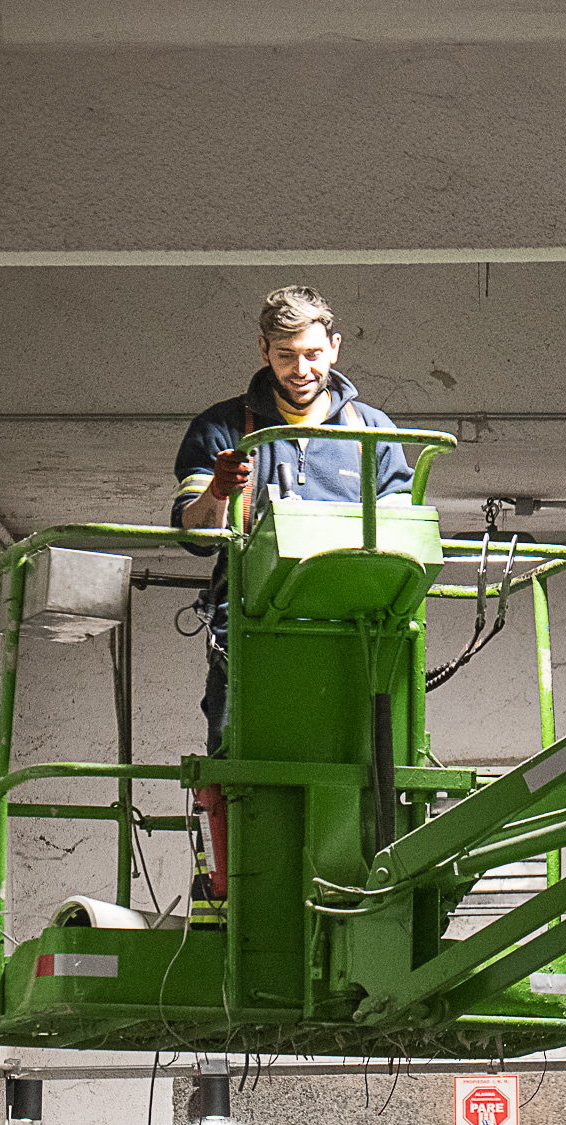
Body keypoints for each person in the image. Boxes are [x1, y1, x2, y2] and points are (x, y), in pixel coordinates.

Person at [170, 287, 414, 916]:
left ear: (335, 345)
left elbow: (401, 528)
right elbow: (196, 534)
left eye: (311, 354)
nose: (300, 370)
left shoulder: (375, 432)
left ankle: (365, 886)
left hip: (356, 630)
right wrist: (219, 493)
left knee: (372, 755)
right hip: (250, 630)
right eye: (285, 356)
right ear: (263, 352)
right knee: (232, 749)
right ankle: (234, 896)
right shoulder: (224, 428)